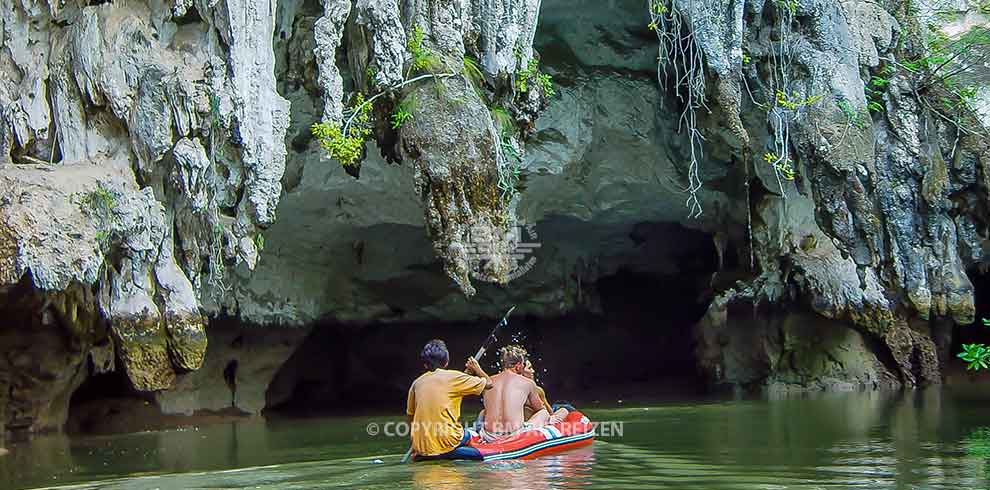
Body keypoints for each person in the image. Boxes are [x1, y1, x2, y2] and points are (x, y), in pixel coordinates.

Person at [406, 339, 493, 460]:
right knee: (472, 433)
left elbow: (410, 417)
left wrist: (416, 444)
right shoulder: (454, 377)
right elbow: (489, 384)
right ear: (446, 362)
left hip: (421, 446)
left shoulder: (416, 383)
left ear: (425, 365)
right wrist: (477, 368)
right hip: (447, 440)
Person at [479, 346, 568, 442]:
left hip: (488, 435)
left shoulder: (487, 381)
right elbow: (541, 409)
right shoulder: (527, 383)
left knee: (484, 412)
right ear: (518, 365)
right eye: (523, 364)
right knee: (544, 413)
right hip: (514, 435)